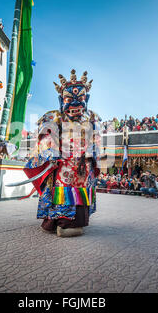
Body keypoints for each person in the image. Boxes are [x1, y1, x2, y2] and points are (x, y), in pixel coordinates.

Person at [22, 70, 100, 237]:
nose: (75, 104)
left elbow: (96, 140)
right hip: (63, 162)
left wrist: (92, 153)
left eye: (79, 99)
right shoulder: (54, 116)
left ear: (86, 99)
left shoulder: (91, 118)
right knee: (63, 189)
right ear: (61, 100)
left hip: (83, 164)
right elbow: (45, 137)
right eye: (69, 99)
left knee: (81, 190)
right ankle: (62, 222)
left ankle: (76, 221)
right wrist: (51, 152)